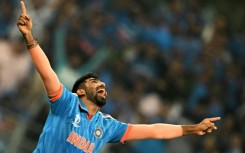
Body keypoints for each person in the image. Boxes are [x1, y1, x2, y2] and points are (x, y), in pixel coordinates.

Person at [17, 1, 221, 153]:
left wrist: (192, 128)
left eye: (101, 81)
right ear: (80, 91)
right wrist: (29, 37)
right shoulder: (66, 104)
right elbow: (47, 73)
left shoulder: (107, 126)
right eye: (94, 81)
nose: (102, 83)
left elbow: (154, 130)